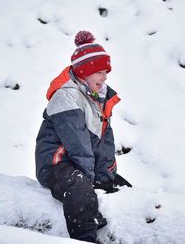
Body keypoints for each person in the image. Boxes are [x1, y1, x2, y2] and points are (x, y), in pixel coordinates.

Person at [35, 30, 132, 242]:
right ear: (85, 72)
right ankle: (84, 237)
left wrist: (105, 177)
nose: (105, 77)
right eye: (100, 72)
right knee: (78, 185)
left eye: (106, 72)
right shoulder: (66, 96)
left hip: (80, 164)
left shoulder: (98, 99)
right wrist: (90, 180)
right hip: (56, 165)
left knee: (121, 186)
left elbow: (105, 141)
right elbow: (77, 144)